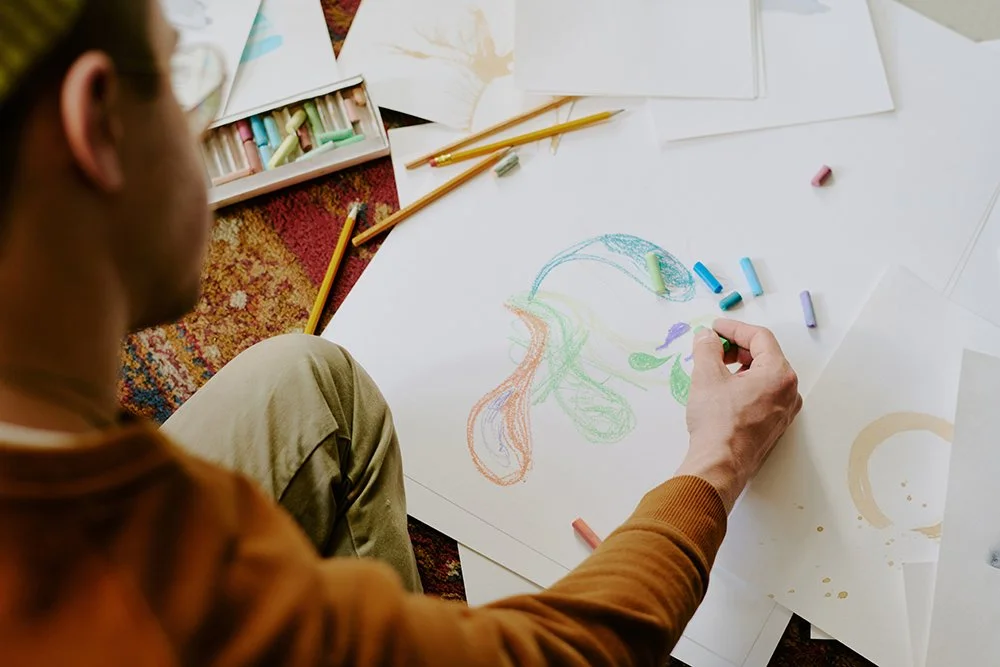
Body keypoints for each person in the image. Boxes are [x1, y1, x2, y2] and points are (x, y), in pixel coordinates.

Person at [0, 0, 803, 664]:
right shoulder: (178, 605)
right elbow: (569, 651)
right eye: (187, 99)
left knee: (308, 384)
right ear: (99, 126)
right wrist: (716, 459)